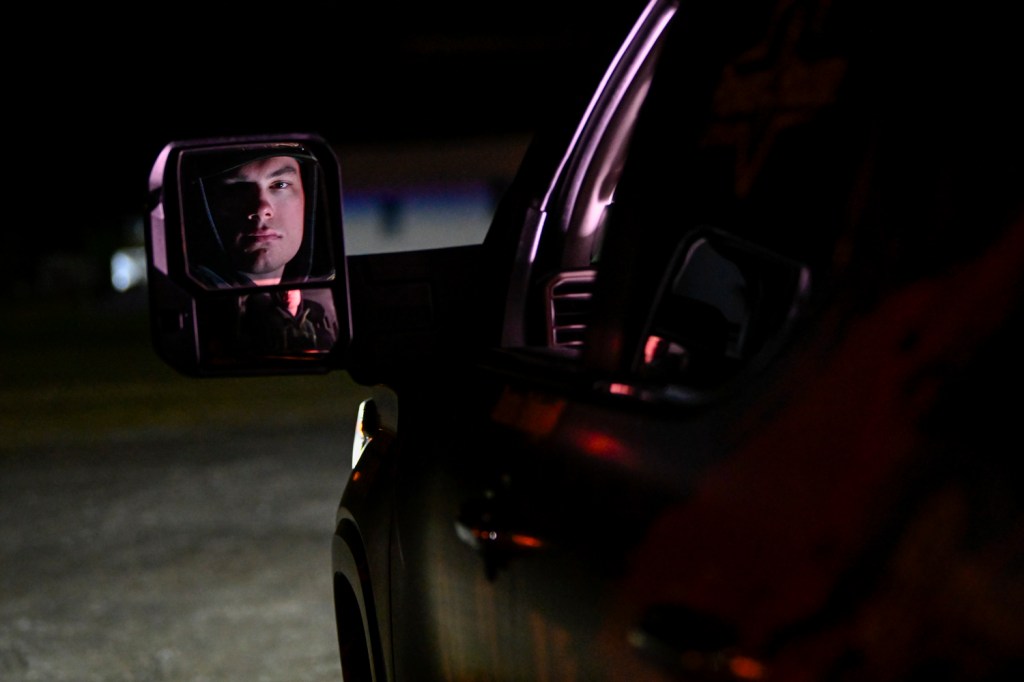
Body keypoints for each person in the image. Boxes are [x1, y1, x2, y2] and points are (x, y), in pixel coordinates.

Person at [188, 150, 339, 355]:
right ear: (204, 204)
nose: (261, 208)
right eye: (237, 188)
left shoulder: (330, 304)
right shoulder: (194, 316)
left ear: (308, 198)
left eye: (280, 185)